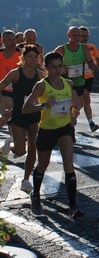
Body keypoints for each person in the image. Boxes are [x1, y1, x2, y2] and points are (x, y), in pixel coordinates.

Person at [22, 51, 84, 219]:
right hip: (46, 130)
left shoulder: (68, 84)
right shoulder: (42, 85)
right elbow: (26, 108)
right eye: (53, 67)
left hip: (64, 129)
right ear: (47, 68)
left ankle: (73, 207)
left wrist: (74, 109)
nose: (58, 70)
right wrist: (44, 105)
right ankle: (35, 195)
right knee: (43, 164)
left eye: (60, 66)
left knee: (69, 165)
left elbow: (78, 104)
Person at [0, 45, 42, 193]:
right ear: (23, 57)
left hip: (35, 115)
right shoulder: (15, 73)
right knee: (20, 150)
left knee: (32, 148)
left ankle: (26, 180)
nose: (32, 60)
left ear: (38, 59)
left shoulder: (41, 74)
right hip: (18, 116)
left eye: (35, 57)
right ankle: (9, 145)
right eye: (29, 56)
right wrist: (2, 108)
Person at [54, 26, 95, 130]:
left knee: (79, 105)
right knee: (71, 103)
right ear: (68, 36)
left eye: (79, 35)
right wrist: (61, 68)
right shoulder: (61, 49)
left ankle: (70, 119)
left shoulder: (84, 48)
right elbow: (50, 63)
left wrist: (90, 63)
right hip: (65, 81)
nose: (77, 38)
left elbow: (92, 64)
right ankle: (67, 127)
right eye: (74, 35)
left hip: (79, 81)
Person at [79, 26, 99, 132]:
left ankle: (91, 122)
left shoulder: (92, 47)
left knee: (86, 99)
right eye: (83, 36)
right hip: (77, 77)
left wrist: (98, 64)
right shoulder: (74, 48)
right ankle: (73, 118)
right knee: (80, 100)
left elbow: (96, 59)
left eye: (87, 36)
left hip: (89, 77)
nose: (85, 38)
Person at [0, 30, 21, 128]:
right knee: (11, 115)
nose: (13, 42)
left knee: (11, 117)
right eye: (9, 40)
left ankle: (14, 139)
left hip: (19, 90)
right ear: (3, 41)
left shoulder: (21, 54)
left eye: (14, 39)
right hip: (4, 91)